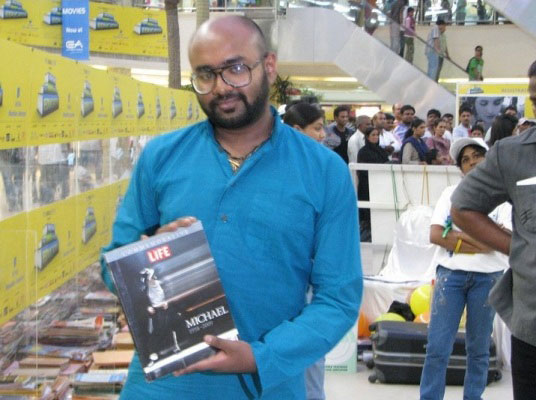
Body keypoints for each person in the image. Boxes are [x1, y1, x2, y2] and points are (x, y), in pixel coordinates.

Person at [101, 16, 363, 400]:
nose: (222, 87)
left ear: (268, 66)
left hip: (268, 386)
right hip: (161, 388)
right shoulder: (161, 156)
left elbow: (338, 299)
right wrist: (145, 258)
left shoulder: (324, 172)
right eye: (205, 74)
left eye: (236, 68)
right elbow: (112, 265)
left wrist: (261, 356)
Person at [450, 60, 536, 400]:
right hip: (532, 327)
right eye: (535, 97)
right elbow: (462, 208)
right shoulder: (513, 154)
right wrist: (517, 247)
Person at [420, 138, 510, 400]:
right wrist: (485, 238)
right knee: (437, 347)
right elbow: (436, 235)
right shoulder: (451, 194)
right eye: (465, 160)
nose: (472, 163)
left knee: (479, 349)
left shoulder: (504, 197)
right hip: (451, 276)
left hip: (489, 278)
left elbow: (504, 243)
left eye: (476, 156)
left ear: (488, 159)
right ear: (460, 168)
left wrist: (457, 238)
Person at [357, 126, 389, 242]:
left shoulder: (381, 151)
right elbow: (362, 170)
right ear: (367, 137)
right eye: (373, 135)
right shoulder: (363, 152)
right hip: (367, 187)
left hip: (381, 186)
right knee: (367, 216)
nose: (375, 137)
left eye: (377, 135)